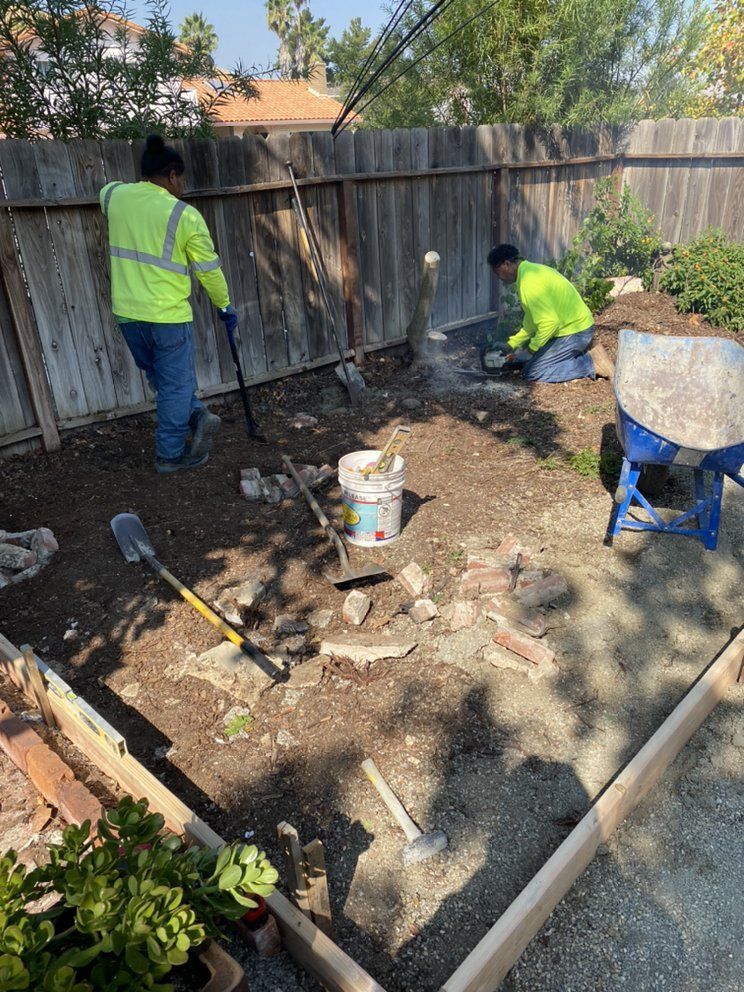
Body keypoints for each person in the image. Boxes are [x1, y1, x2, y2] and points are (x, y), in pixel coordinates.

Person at [100, 134, 238, 472]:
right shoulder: (184, 215)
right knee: (175, 387)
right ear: (173, 176)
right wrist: (225, 307)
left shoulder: (115, 197)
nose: (183, 186)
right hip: (168, 318)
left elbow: (105, 190)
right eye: (182, 179)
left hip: (129, 317)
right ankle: (170, 456)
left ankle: (197, 416)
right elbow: (209, 272)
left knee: (160, 381)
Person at [486, 244, 614, 383]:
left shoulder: (529, 283)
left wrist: (530, 350)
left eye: (496, 272)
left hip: (575, 332)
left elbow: (549, 322)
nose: (498, 277)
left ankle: (591, 363)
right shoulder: (529, 272)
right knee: (531, 364)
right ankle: (578, 354)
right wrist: (511, 344)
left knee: (533, 372)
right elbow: (531, 321)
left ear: (506, 264)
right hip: (572, 328)